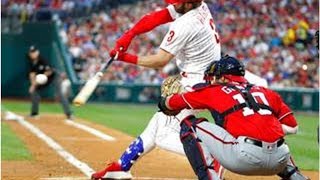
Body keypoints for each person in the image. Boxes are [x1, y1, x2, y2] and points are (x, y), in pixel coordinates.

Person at [92, 0, 264, 179]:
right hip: (206, 79)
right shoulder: (199, 6)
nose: (172, 5)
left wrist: (126, 58)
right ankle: (121, 167)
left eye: (176, 2)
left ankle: (213, 157)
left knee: (163, 135)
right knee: (158, 123)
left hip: (196, 84)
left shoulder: (185, 24)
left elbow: (160, 61)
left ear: (188, 4)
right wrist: (131, 33)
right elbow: (158, 16)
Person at [158, 55, 310, 180]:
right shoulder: (266, 92)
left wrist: (165, 102)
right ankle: (296, 177)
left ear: (223, 78)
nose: (211, 80)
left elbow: (170, 104)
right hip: (280, 160)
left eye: (214, 77)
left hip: (244, 158)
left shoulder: (214, 90)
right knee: (273, 134)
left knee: (189, 125)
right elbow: (293, 127)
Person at [27, 45, 73, 120]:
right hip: (41, 81)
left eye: (34, 52)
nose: (32, 54)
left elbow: (49, 71)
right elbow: (32, 74)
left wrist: (37, 82)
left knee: (60, 94)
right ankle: (34, 113)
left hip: (53, 78)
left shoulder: (42, 60)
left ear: (37, 52)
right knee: (34, 92)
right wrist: (33, 85)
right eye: (31, 53)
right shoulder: (30, 62)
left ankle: (69, 113)